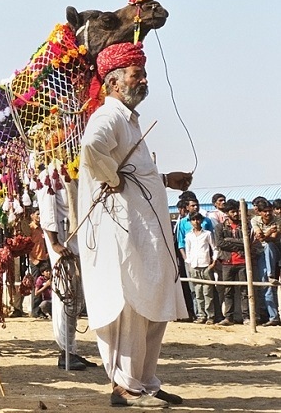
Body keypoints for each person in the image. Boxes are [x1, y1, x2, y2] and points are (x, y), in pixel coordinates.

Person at [76, 40, 192, 408]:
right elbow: (92, 149)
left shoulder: (129, 120)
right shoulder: (108, 117)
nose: (143, 81)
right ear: (113, 82)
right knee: (131, 306)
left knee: (152, 304)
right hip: (122, 234)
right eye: (136, 74)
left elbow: (135, 170)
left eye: (143, 74)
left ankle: (145, 382)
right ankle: (125, 387)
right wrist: (111, 178)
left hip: (145, 232)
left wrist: (166, 180)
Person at [36, 186, 97, 371]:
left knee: (77, 300)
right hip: (65, 244)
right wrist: (54, 243)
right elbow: (48, 213)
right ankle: (65, 352)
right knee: (68, 298)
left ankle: (71, 349)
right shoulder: (49, 175)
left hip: (80, 241)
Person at [251, 197, 280, 326]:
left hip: (275, 253)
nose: (268, 214)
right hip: (260, 254)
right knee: (266, 285)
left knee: (268, 246)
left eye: (269, 211)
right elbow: (259, 237)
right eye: (265, 211)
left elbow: (272, 239)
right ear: (260, 212)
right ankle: (273, 317)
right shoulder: (255, 220)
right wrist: (267, 232)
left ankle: (270, 273)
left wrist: (265, 235)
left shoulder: (277, 220)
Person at [184, 212, 217, 324]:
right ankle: (201, 315)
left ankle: (210, 316)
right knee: (198, 292)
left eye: (198, 220)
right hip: (194, 265)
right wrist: (189, 262)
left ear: (201, 221)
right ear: (191, 221)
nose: (196, 222)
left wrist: (213, 262)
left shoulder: (207, 234)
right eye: (193, 220)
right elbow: (187, 250)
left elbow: (214, 247)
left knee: (208, 292)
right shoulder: (188, 236)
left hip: (205, 265)